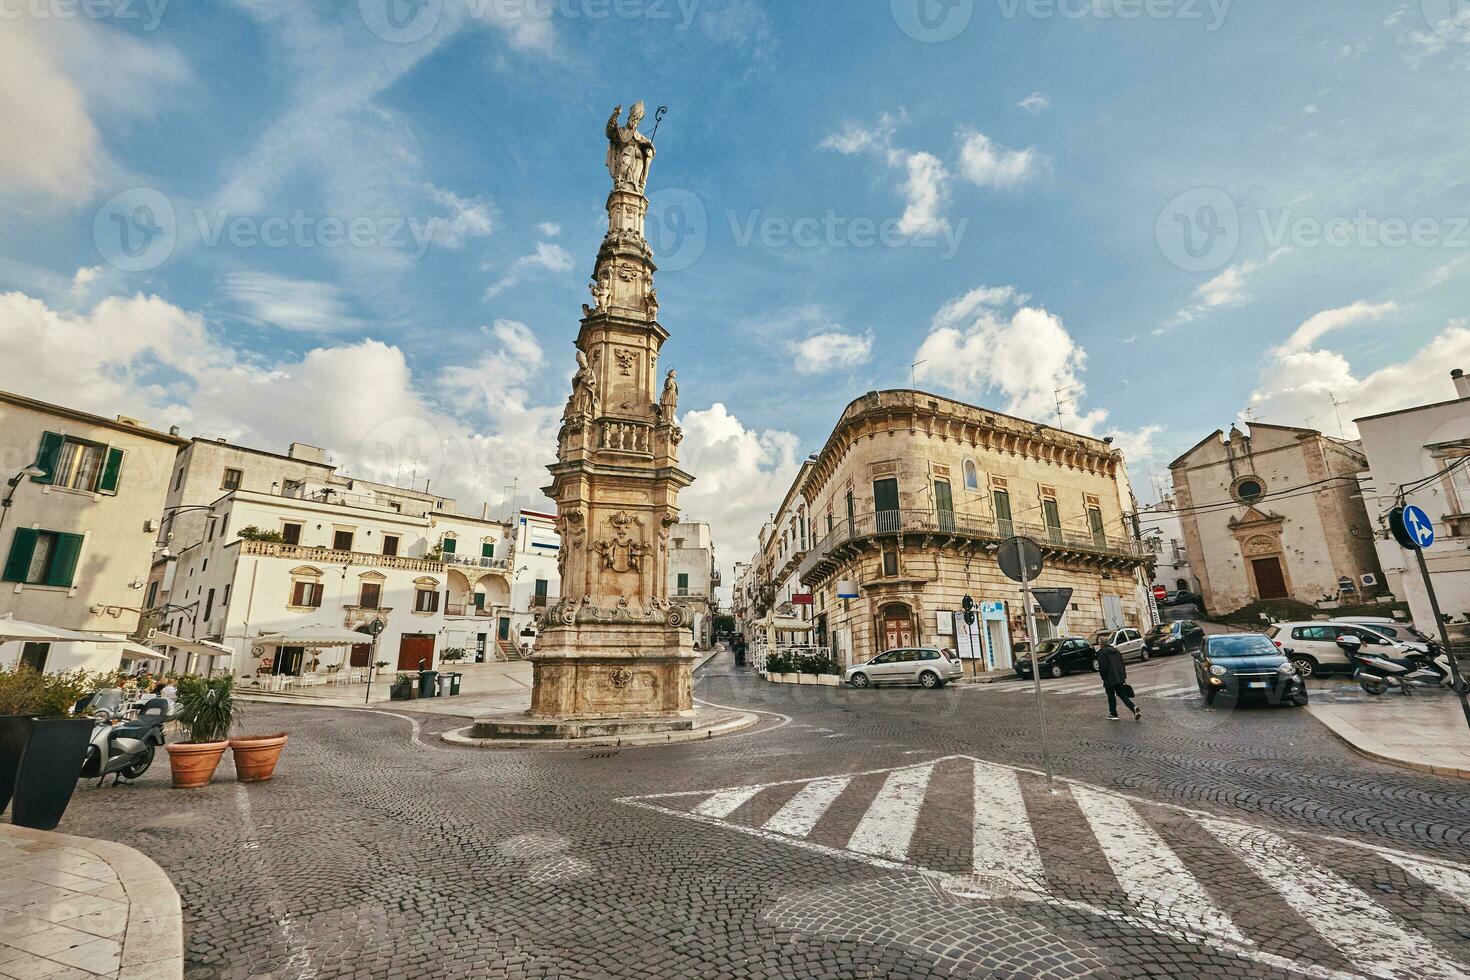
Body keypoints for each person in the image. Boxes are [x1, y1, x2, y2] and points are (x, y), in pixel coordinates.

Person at [1097, 640, 1140, 721]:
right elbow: (1122, 664)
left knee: (1111, 695)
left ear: (1102, 644)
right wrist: (1123, 676)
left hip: (1109, 678)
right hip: (1119, 677)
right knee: (1121, 694)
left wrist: (1103, 677)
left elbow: (1103, 667)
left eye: (1099, 643)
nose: (1099, 644)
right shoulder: (1116, 651)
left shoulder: (1103, 652)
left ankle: (1113, 713)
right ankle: (1133, 707)